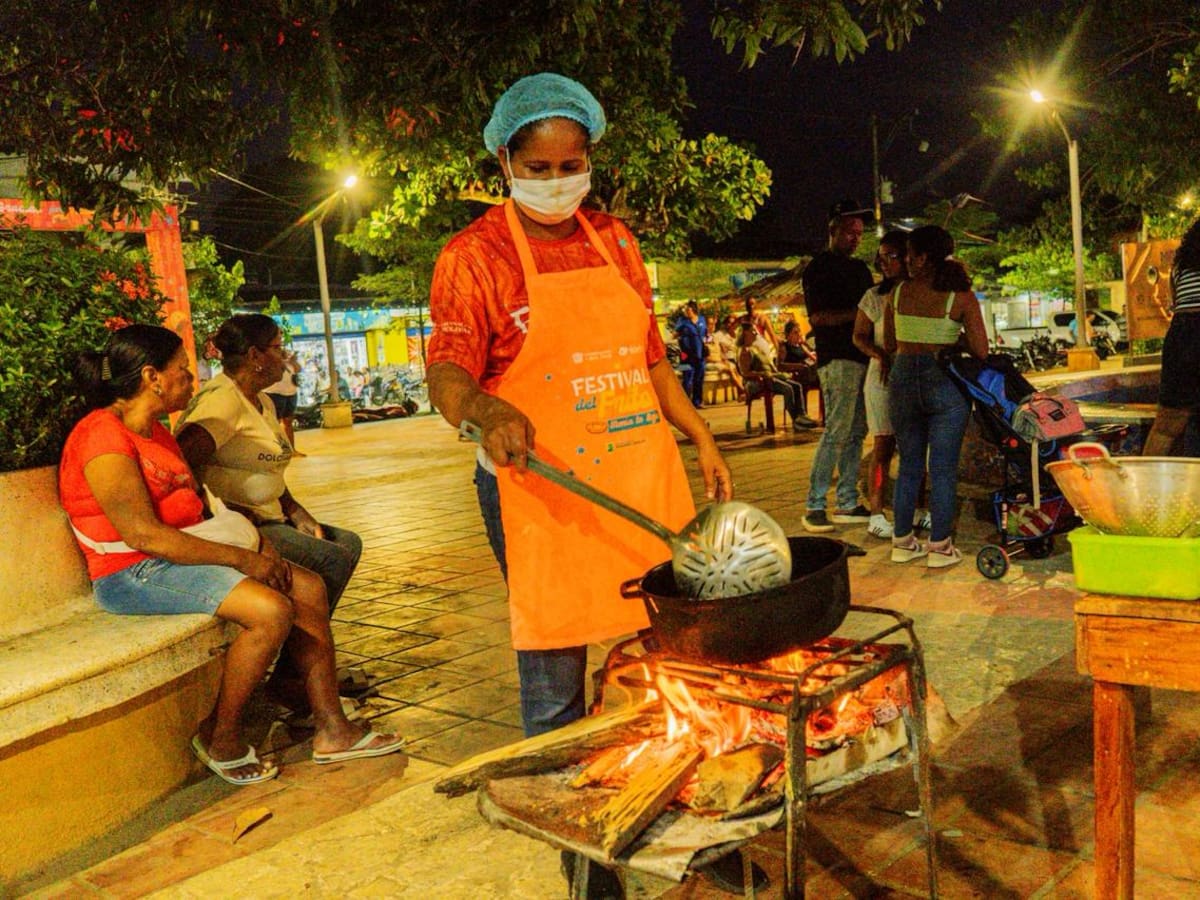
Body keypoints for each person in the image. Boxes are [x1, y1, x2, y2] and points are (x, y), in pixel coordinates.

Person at [424, 72, 737, 896]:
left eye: (573, 165)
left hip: (640, 479)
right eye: (539, 167)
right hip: (541, 494)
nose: (558, 181)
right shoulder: (473, 256)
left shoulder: (616, 241)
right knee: (556, 685)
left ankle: (703, 826)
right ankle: (588, 865)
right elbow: (447, 371)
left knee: (677, 660)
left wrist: (699, 432)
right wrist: (486, 409)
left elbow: (650, 357)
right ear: (504, 162)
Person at [58, 324, 403, 785]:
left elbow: (195, 506)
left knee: (308, 587)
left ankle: (332, 729)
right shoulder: (102, 438)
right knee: (270, 611)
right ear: (151, 377)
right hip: (132, 572)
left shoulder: (156, 432)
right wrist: (241, 558)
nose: (191, 379)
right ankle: (220, 736)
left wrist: (254, 539)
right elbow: (144, 536)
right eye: (183, 370)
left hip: (177, 555)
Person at [175, 314, 365, 713]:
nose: (285, 356)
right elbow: (182, 461)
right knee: (328, 561)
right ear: (255, 356)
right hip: (245, 527)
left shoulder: (259, 400)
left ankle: (300, 671)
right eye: (278, 348)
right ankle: (292, 679)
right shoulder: (222, 402)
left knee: (347, 543)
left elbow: (269, 467)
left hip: (273, 514)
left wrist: (295, 509)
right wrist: (228, 511)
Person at [883, 225, 989, 567]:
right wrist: (952, 337)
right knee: (942, 469)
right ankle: (940, 548)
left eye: (910, 254)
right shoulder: (961, 297)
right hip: (943, 383)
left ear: (923, 257)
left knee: (909, 465)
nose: (906, 260)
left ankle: (902, 542)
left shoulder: (897, 293)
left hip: (902, 381)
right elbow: (982, 350)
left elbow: (889, 344)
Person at [800, 200, 875, 532]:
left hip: (862, 356)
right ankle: (815, 504)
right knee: (837, 431)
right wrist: (858, 315)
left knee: (857, 432)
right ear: (833, 230)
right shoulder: (819, 268)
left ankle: (847, 500)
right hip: (838, 359)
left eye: (859, 233)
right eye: (849, 232)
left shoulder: (860, 269)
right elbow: (819, 317)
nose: (855, 238)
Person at [852, 230, 907, 539]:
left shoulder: (917, 292)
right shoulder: (874, 296)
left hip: (912, 375)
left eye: (892, 256)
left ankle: (915, 508)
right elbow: (859, 336)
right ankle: (876, 512)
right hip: (882, 377)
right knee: (883, 445)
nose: (885, 262)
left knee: (914, 446)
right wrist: (880, 354)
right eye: (881, 257)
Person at [1143, 216, 1200, 456]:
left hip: (1181, 335)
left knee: (1165, 427)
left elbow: (1176, 305)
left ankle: (1145, 478)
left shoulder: (1180, 269)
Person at [737, 324, 811, 430]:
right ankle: (796, 420)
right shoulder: (744, 351)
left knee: (797, 386)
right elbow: (745, 373)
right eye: (752, 331)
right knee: (788, 388)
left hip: (768, 377)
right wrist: (763, 374)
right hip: (757, 382)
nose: (756, 333)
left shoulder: (754, 348)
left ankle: (802, 416)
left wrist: (774, 373)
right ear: (745, 333)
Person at [263, 347, 303, 456]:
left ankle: (291, 449)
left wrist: (293, 361)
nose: (285, 353)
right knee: (275, 422)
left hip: (291, 393)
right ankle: (278, 450)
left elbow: (298, 369)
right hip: (274, 393)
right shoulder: (272, 362)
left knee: (288, 421)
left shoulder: (290, 363)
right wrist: (284, 361)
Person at [674, 301, 707, 407]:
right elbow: (675, 334)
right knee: (687, 378)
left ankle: (698, 401)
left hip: (700, 354)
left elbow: (706, 334)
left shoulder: (702, 319)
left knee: (699, 378)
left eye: (687, 309)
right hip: (685, 355)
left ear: (693, 310)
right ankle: (686, 403)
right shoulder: (682, 321)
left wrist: (707, 341)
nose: (685, 311)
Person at [712, 314, 747, 399]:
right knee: (736, 368)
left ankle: (745, 392)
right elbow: (718, 349)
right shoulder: (719, 335)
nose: (730, 325)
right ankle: (743, 392)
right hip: (728, 358)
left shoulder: (738, 334)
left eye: (733, 323)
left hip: (738, 357)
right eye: (729, 323)